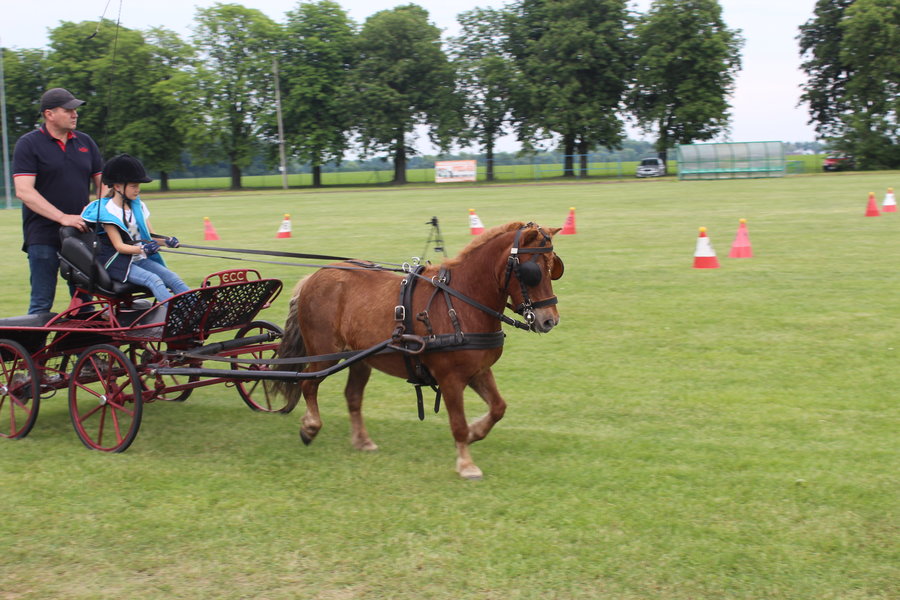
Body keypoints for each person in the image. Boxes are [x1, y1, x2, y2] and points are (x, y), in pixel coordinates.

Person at [12, 87, 103, 314]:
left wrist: (100, 209)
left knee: (86, 303)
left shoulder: (85, 142)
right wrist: (63, 218)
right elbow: (24, 191)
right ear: (49, 114)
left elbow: (104, 185)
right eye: (68, 109)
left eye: (75, 110)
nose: (75, 114)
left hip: (81, 233)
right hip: (43, 235)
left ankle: (87, 349)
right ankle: (30, 350)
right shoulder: (29, 144)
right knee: (42, 303)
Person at [81, 154, 190, 303]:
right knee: (154, 280)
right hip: (118, 262)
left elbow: (149, 237)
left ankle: (199, 311)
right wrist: (143, 250)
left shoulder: (139, 206)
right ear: (118, 186)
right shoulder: (108, 212)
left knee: (173, 278)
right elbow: (119, 247)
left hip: (139, 259)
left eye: (138, 186)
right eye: (133, 186)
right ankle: (176, 314)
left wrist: (167, 241)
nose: (137, 190)